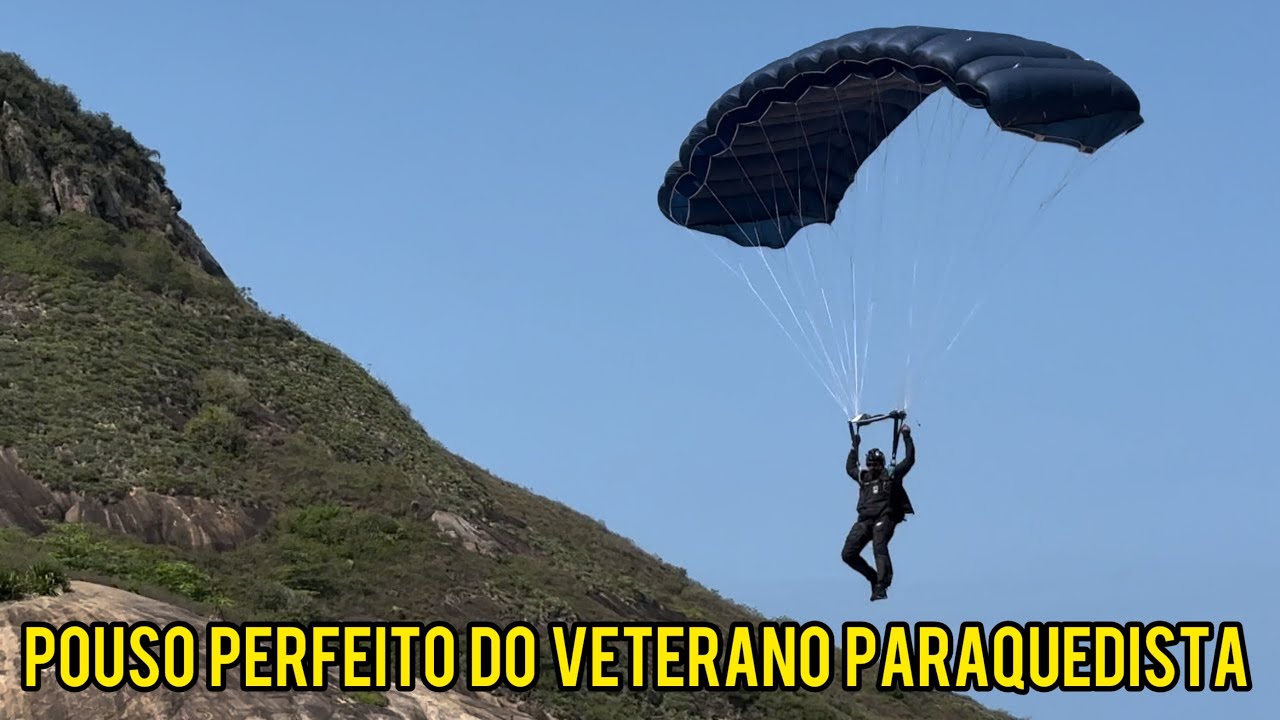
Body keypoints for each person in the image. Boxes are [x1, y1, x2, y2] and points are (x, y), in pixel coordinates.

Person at [841, 422, 915, 601]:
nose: (873, 468)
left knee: (879, 546)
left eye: (876, 465)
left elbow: (909, 460)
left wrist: (906, 436)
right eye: (870, 465)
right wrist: (854, 447)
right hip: (865, 519)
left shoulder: (890, 475)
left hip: (885, 516)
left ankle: (882, 585)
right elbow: (850, 468)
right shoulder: (864, 477)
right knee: (847, 554)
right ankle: (873, 578)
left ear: (881, 465)